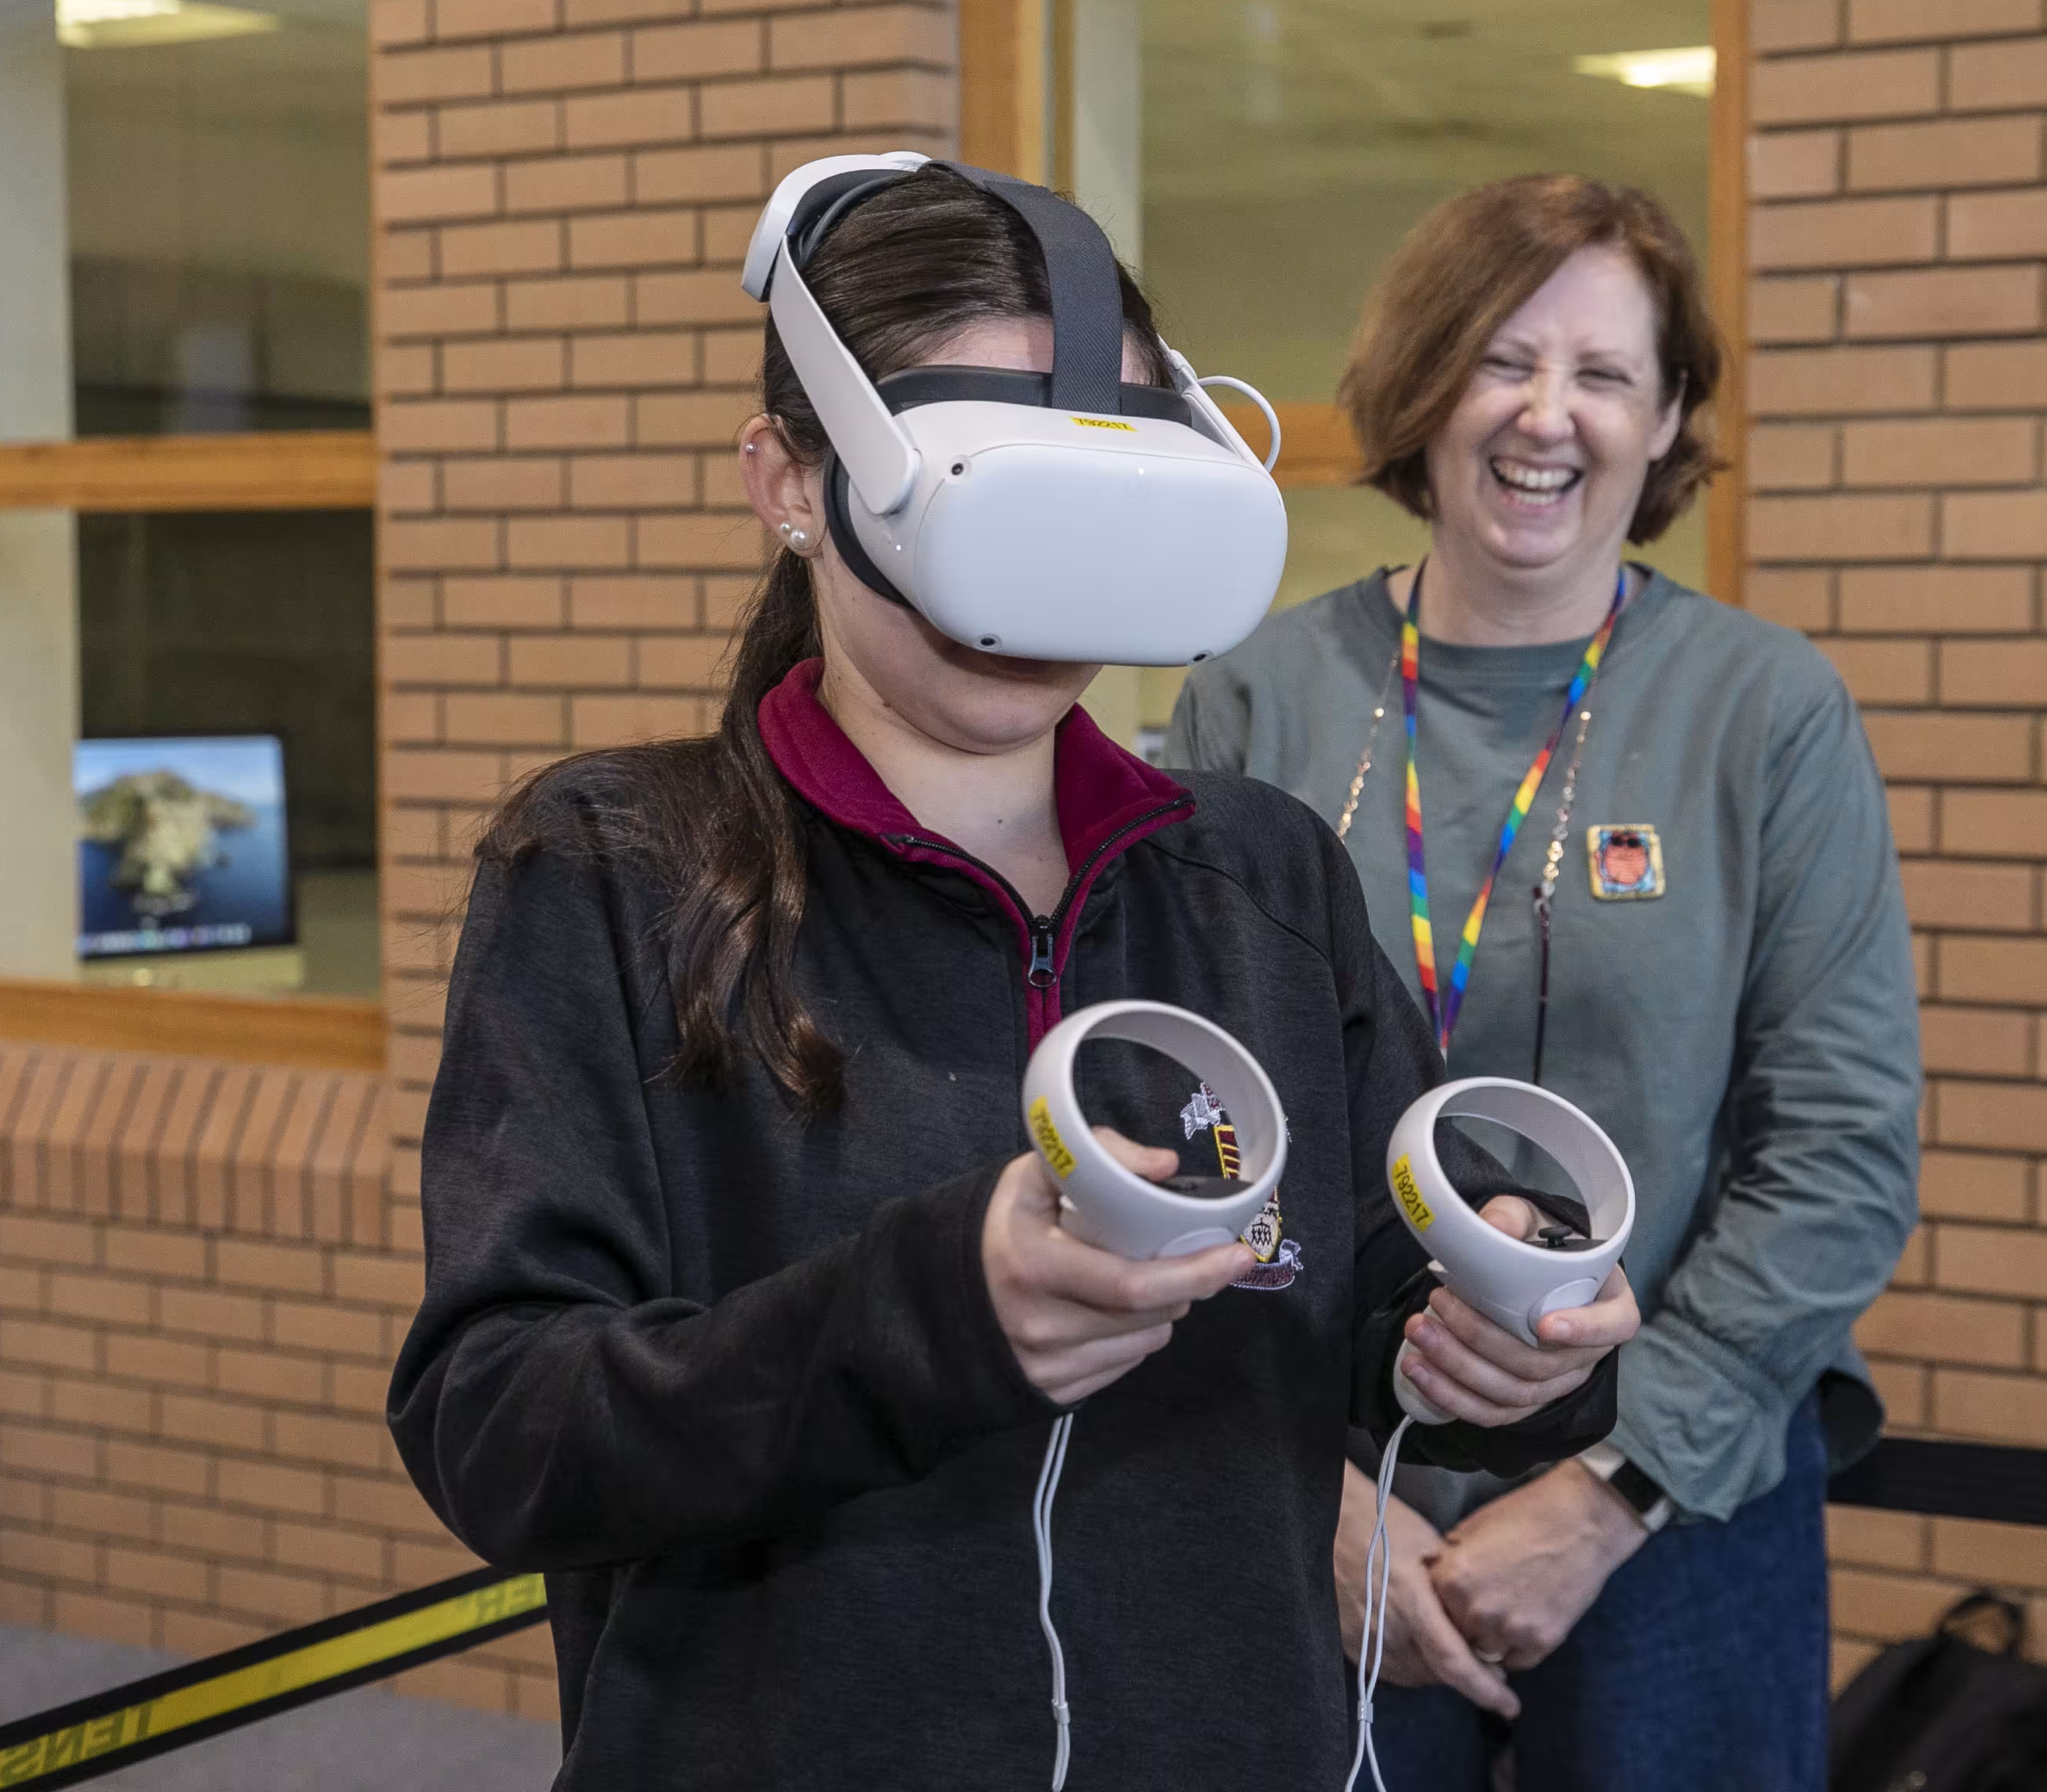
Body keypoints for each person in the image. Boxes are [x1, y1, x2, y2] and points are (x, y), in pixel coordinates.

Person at [384, 165, 1640, 1790]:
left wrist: (1510, 1349)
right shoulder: (615, 873)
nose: (1039, 588)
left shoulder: (1258, 881)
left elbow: (1387, 1309)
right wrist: (933, 1317)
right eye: (992, 495)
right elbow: (503, 1425)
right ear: (791, 481)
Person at [1166, 174, 1923, 1789]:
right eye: (1503, 360)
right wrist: (1311, 1492)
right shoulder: (1256, 701)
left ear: (1669, 421)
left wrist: (1609, 1494)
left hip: (1676, 1494)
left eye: (1605, 374)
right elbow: (1195, 1119)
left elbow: (1841, 1151)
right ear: (1425, 383)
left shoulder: (1765, 713)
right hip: (1330, 1488)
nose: (1547, 414)